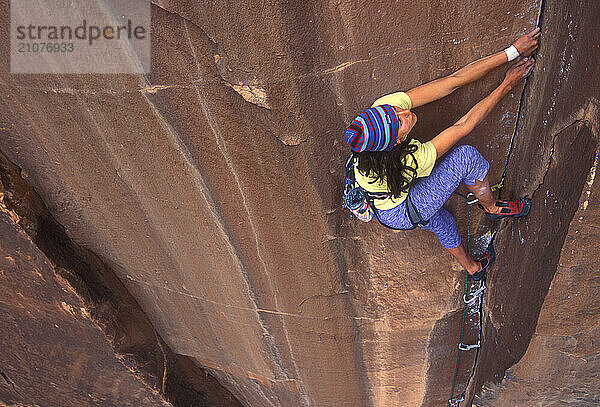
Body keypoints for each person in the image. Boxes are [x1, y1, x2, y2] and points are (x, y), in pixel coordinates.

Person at [345, 28, 541, 280]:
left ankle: (473, 269)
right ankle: (491, 207)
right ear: (395, 142)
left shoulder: (380, 113)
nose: (405, 114)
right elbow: (464, 126)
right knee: (466, 158)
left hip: (384, 205)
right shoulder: (409, 160)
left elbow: (452, 82)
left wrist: (512, 52)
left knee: (441, 220)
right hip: (402, 211)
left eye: (397, 111)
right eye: (401, 123)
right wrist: (507, 84)